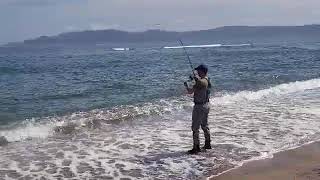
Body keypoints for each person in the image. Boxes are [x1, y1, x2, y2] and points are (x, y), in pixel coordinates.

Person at [184, 64, 212, 154]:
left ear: (202, 71)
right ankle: (208, 144)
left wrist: (186, 85)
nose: (197, 73)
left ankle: (196, 147)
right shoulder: (208, 80)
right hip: (206, 105)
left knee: (195, 128)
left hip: (199, 106)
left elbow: (190, 92)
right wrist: (196, 80)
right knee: (205, 125)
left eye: (198, 71)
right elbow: (202, 84)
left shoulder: (200, 82)